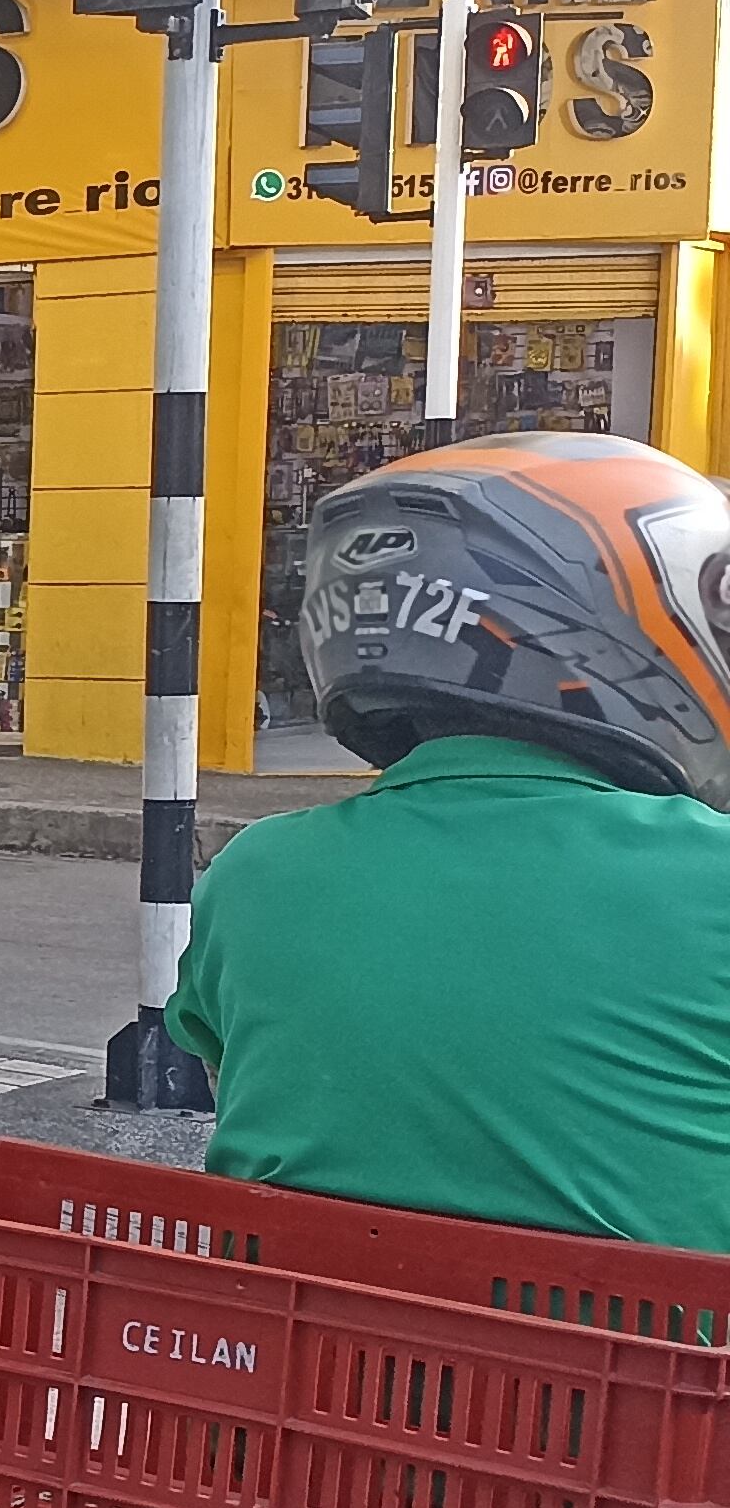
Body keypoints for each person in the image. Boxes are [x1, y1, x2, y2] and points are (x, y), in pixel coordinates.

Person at [169, 437, 730, 1242]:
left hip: (295, 1320)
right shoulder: (714, 877)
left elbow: (237, 1080)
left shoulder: (254, 872)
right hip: (640, 1329)